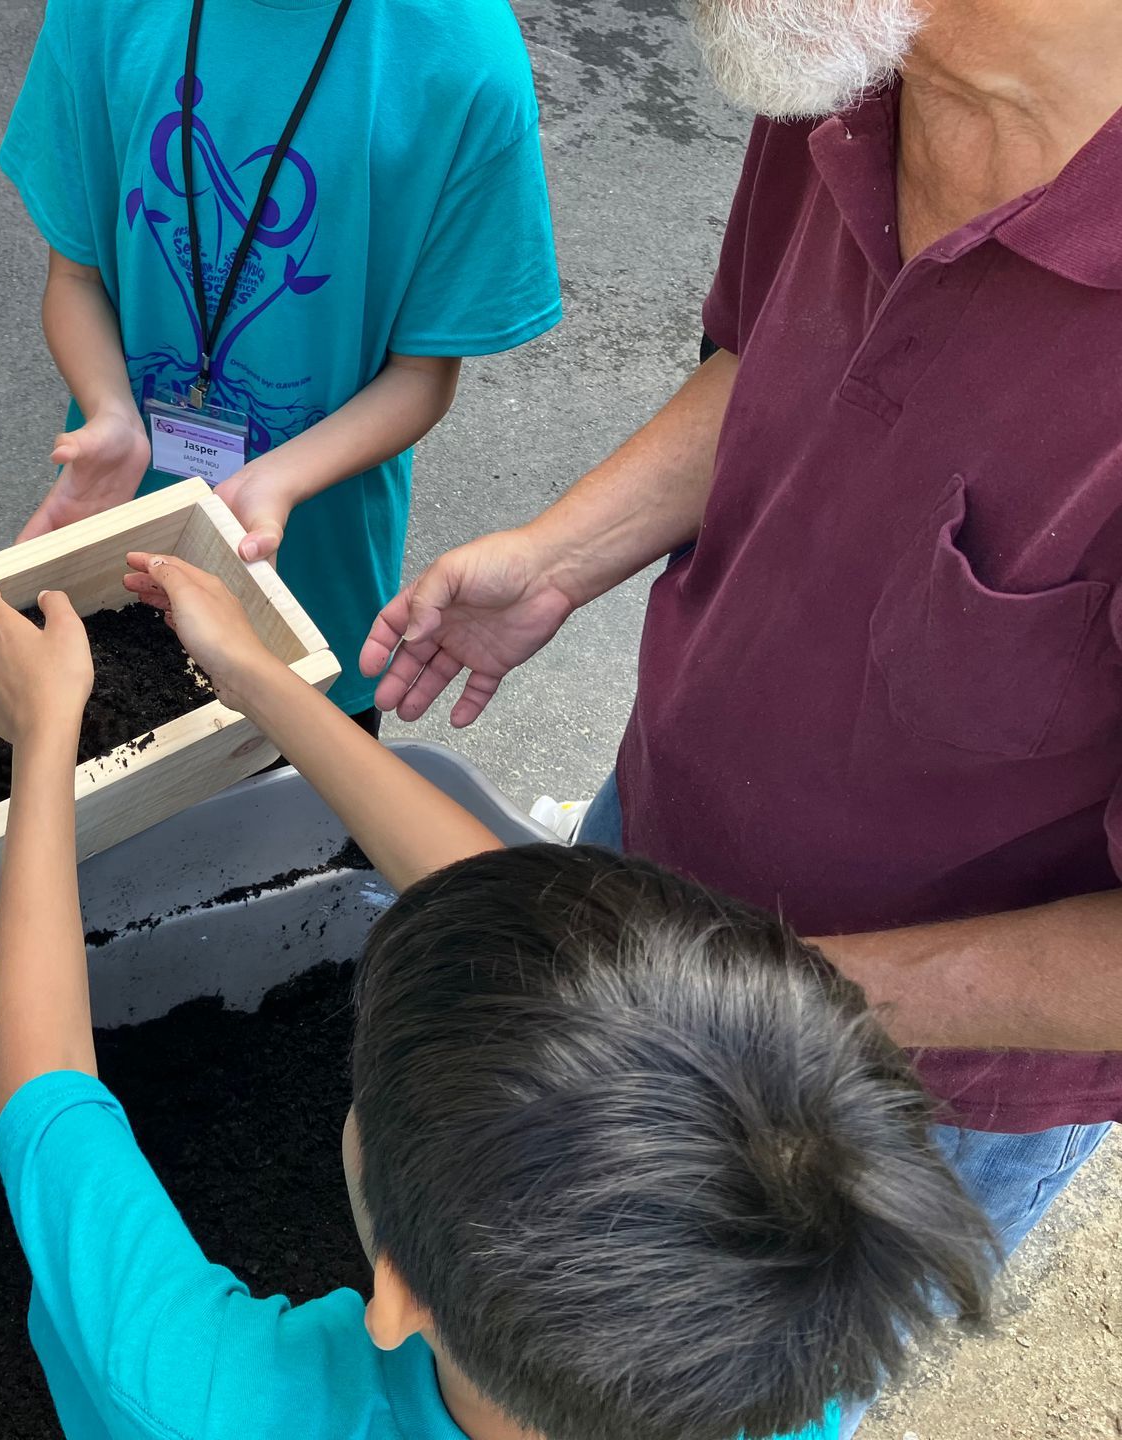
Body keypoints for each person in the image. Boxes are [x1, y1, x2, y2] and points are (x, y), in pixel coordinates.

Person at [364, 0, 1122, 1429]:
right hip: (648, 862)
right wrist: (565, 555)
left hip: (891, 1083)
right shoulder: (847, 65)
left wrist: (743, 1006)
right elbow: (769, 356)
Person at [0, 554, 996, 1440]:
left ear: (397, 1293)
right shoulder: (792, 1351)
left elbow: (46, 1102)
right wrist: (254, 677)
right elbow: (525, 935)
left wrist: (46, 744)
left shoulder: (199, 1396)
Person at [0, 0, 562, 731]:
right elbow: (75, 279)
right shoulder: (103, 13)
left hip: (310, 587)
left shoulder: (465, 54)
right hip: (113, 544)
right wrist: (110, 409)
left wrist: (278, 480)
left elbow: (421, 375)